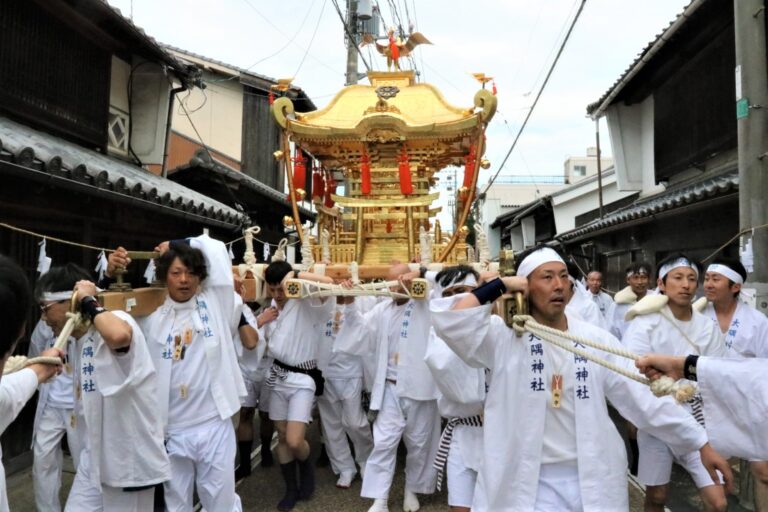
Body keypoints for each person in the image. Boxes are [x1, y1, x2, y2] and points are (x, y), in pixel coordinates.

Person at [430, 247, 732, 511]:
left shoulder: (593, 339)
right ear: (526, 286)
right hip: (525, 480)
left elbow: (642, 398)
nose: (559, 285)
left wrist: (699, 442)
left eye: (564, 276)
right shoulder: (502, 336)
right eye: (547, 277)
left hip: (589, 477)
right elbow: (451, 321)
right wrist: (499, 285)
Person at [35, 264, 169, 511]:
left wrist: (88, 299)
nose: (44, 318)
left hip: (127, 460)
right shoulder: (77, 339)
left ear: (72, 302)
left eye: (46, 308)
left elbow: (119, 337)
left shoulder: (116, 320)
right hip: (95, 458)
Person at [136, 235, 246, 512]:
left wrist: (176, 243)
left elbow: (218, 249)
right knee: (176, 505)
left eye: (191, 273)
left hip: (213, 423)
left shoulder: (214, 303)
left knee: (221, 501)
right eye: (176, 272)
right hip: (172, 430)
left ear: (200, 278)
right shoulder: (152, 316)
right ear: (164, 276)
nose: (184, 279)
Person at [623, 254, 729, 512]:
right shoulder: (645, 323)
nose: (686, 285)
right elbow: (632, 370)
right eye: (678, 278)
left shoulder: (707, 327)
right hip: (657, 418)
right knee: (657, 495)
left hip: (697, 419)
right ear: (661, 282)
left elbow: (718, 372)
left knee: (718, 502)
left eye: (692, 279)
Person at [335, 263, 440, 512]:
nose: (397, 285)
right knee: (384, 442)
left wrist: (422, 273)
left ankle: (411, 488)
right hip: (390, 388)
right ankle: (380, 498)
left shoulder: (427, 303)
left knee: (418, 443)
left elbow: (445, 284)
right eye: (392, 281)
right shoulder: (382, 310)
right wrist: (349, 303)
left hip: (420, 387)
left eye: (402, 279)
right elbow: (359, 332)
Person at [262, 260, 334, 511]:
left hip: (303, 378)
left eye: (281, 289)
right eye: (272, 289)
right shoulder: (271, 309)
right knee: (281, 435)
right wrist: (261, 321)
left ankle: (306, 467)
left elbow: (329, 284)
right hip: (278, 376)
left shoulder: (304, 302)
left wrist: (296, 275)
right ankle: (291, 488)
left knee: (294, 440)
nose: (277, 295)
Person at [701, 258, 768, 509]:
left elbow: (764, 368)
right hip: (710, 402)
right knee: (715, 474)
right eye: (706, 278)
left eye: (715, 279)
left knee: (763, 471)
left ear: (735, 287)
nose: (707, 284)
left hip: (748, 402)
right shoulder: (697, 316)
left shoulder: (757, 321)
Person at [0, 255, 62, 512]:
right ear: (21, 330)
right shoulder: (39, 333)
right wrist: (37, 371)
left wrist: (36, 371)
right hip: (51, 407)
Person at [424, 265, 485, 512]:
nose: (457, 299)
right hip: (461, 429)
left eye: (464, 291)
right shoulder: (437, 334)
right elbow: (455, 380)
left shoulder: (495, 322)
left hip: (496, 434)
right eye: (449, 294)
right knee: (460, 508)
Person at [636, 353, 768, 460]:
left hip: (700, 424)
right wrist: (681, 367)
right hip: (682, 420)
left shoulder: (708, 327)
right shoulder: (642, 328)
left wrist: (682, 367)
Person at [315, 295, 375, 488]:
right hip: (324, 371)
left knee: (355, 422)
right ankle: (344, 468)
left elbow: (362, 328)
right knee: (331, 425)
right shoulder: (319, 303)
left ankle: (365, 459)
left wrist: (348, 301)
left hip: (350, 371)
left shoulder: (357, 302)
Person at [28, 319, 83, 512]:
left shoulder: (85, 323)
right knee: (43, 461)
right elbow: (34, 359)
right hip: (50, 403)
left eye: (47, 308)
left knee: (83, 463)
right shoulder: (44, 326)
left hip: (78, 407)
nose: (45, 314)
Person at [611, 261, 653, 340]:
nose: (640, 282)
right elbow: (611, 332)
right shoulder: (617, 305)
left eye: (643, 277)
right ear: (628, 280)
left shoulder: (656, 301)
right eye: (635, 277)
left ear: (649, 279)